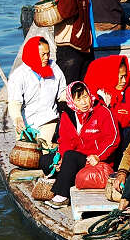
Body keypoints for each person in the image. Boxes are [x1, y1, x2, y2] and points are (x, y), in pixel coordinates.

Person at [41, 81, 120, 209]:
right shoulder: (67, 115)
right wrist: (60, 158)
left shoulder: (103, 112)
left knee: (70, 157)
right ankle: (64, 179)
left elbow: (113, 139)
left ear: (90, 95)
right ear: (72, 102)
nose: (84, 102)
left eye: (85, 97)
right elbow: (64, 141)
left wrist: (98, 156)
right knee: (46, 160)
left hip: (96, 161)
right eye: (78, 99)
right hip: (76, 159)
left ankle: (62, 195)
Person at [83, 54, 130, 164]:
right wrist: (105, 106)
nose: (124, 81)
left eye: (125, 76)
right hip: (100, 150)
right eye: (120, 77)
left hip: (127, 148)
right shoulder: (95, 97)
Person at [7, 36, 67, 144]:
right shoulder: (19, 75)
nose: (46, 58)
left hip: (49, 120)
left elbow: (62, 92)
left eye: (48, 54)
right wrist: (17, 119)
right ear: (33, 54)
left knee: (46, 149)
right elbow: (14, 102)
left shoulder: (54, 67)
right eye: (43, 54)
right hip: (27, 124)